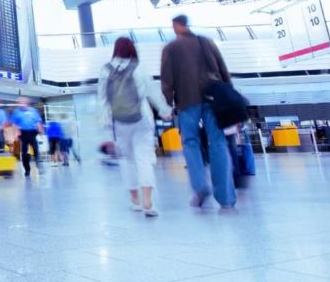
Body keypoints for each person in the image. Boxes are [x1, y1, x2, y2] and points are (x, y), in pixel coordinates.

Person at [161, 15, 235, 209]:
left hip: (187, 101)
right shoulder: (207, 42)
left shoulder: (171, 48)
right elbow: (223, 71)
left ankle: (200, 186)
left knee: (190, 142)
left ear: (176, 26)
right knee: (218, 142)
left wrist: (167, 105)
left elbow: (167, 80)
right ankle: (226, 197)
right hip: (213, 99)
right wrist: (230, 98)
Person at [99, 37, 172, 217]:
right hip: (142, 119)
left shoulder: (105, 70)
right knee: (144, 158)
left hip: (119, 122)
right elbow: (152, 92)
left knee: (127, 160)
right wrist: (164, 110)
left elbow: (103, 100)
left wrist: (106, 126)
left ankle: (135, 200)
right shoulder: (139, 67)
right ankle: (147, 201)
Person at [10, 96, 44, 176]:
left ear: (27, 103)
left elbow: (38, 122)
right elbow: (14, 124)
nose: (21, 104)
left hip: (32, 132)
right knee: (24, 153)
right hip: (23, 133)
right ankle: (27, 169)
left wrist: (41, 131)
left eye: (23, 103)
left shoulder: (33, 111)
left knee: (36, 150)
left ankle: (39, 166)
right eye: (20, 103)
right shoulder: (16, 112)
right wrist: (15, 134)